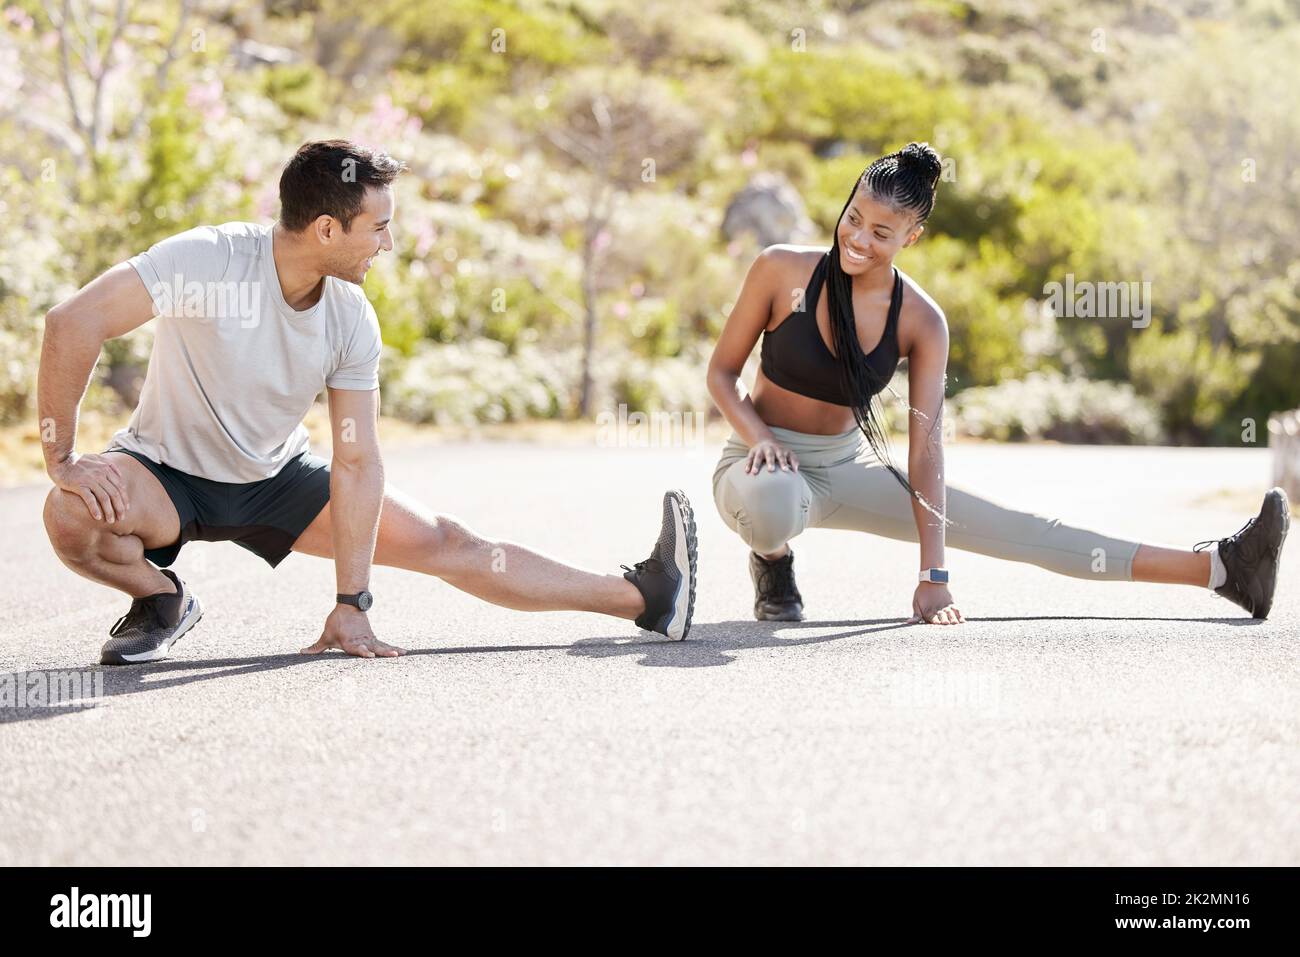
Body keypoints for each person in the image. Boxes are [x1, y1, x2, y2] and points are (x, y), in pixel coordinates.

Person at [39, 139, 697, 665]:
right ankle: (160, 599)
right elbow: (72, 322)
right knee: (69, 512)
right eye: (378, 228)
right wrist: (62, 457)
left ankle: (643, 597)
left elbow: (357, 461)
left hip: (276, 480)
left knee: (451, 542)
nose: (388, 243)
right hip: (166, 476)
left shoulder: (351, 316)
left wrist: (351, 600)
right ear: (326, 228)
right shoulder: (207, 261)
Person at [706, 141, 1289, 624]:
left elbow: (926, 444)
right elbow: (721, 375)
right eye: (853, 218)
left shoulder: (920, 319)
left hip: (845, 466)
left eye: (882, 232)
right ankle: (773, 560)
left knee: (1023, 531)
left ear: (912, 237)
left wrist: (933, 575)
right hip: (760, 463)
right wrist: (759, 436)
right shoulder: (781, 269)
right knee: (773, 503)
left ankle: (1222, 569)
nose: (858, 238)